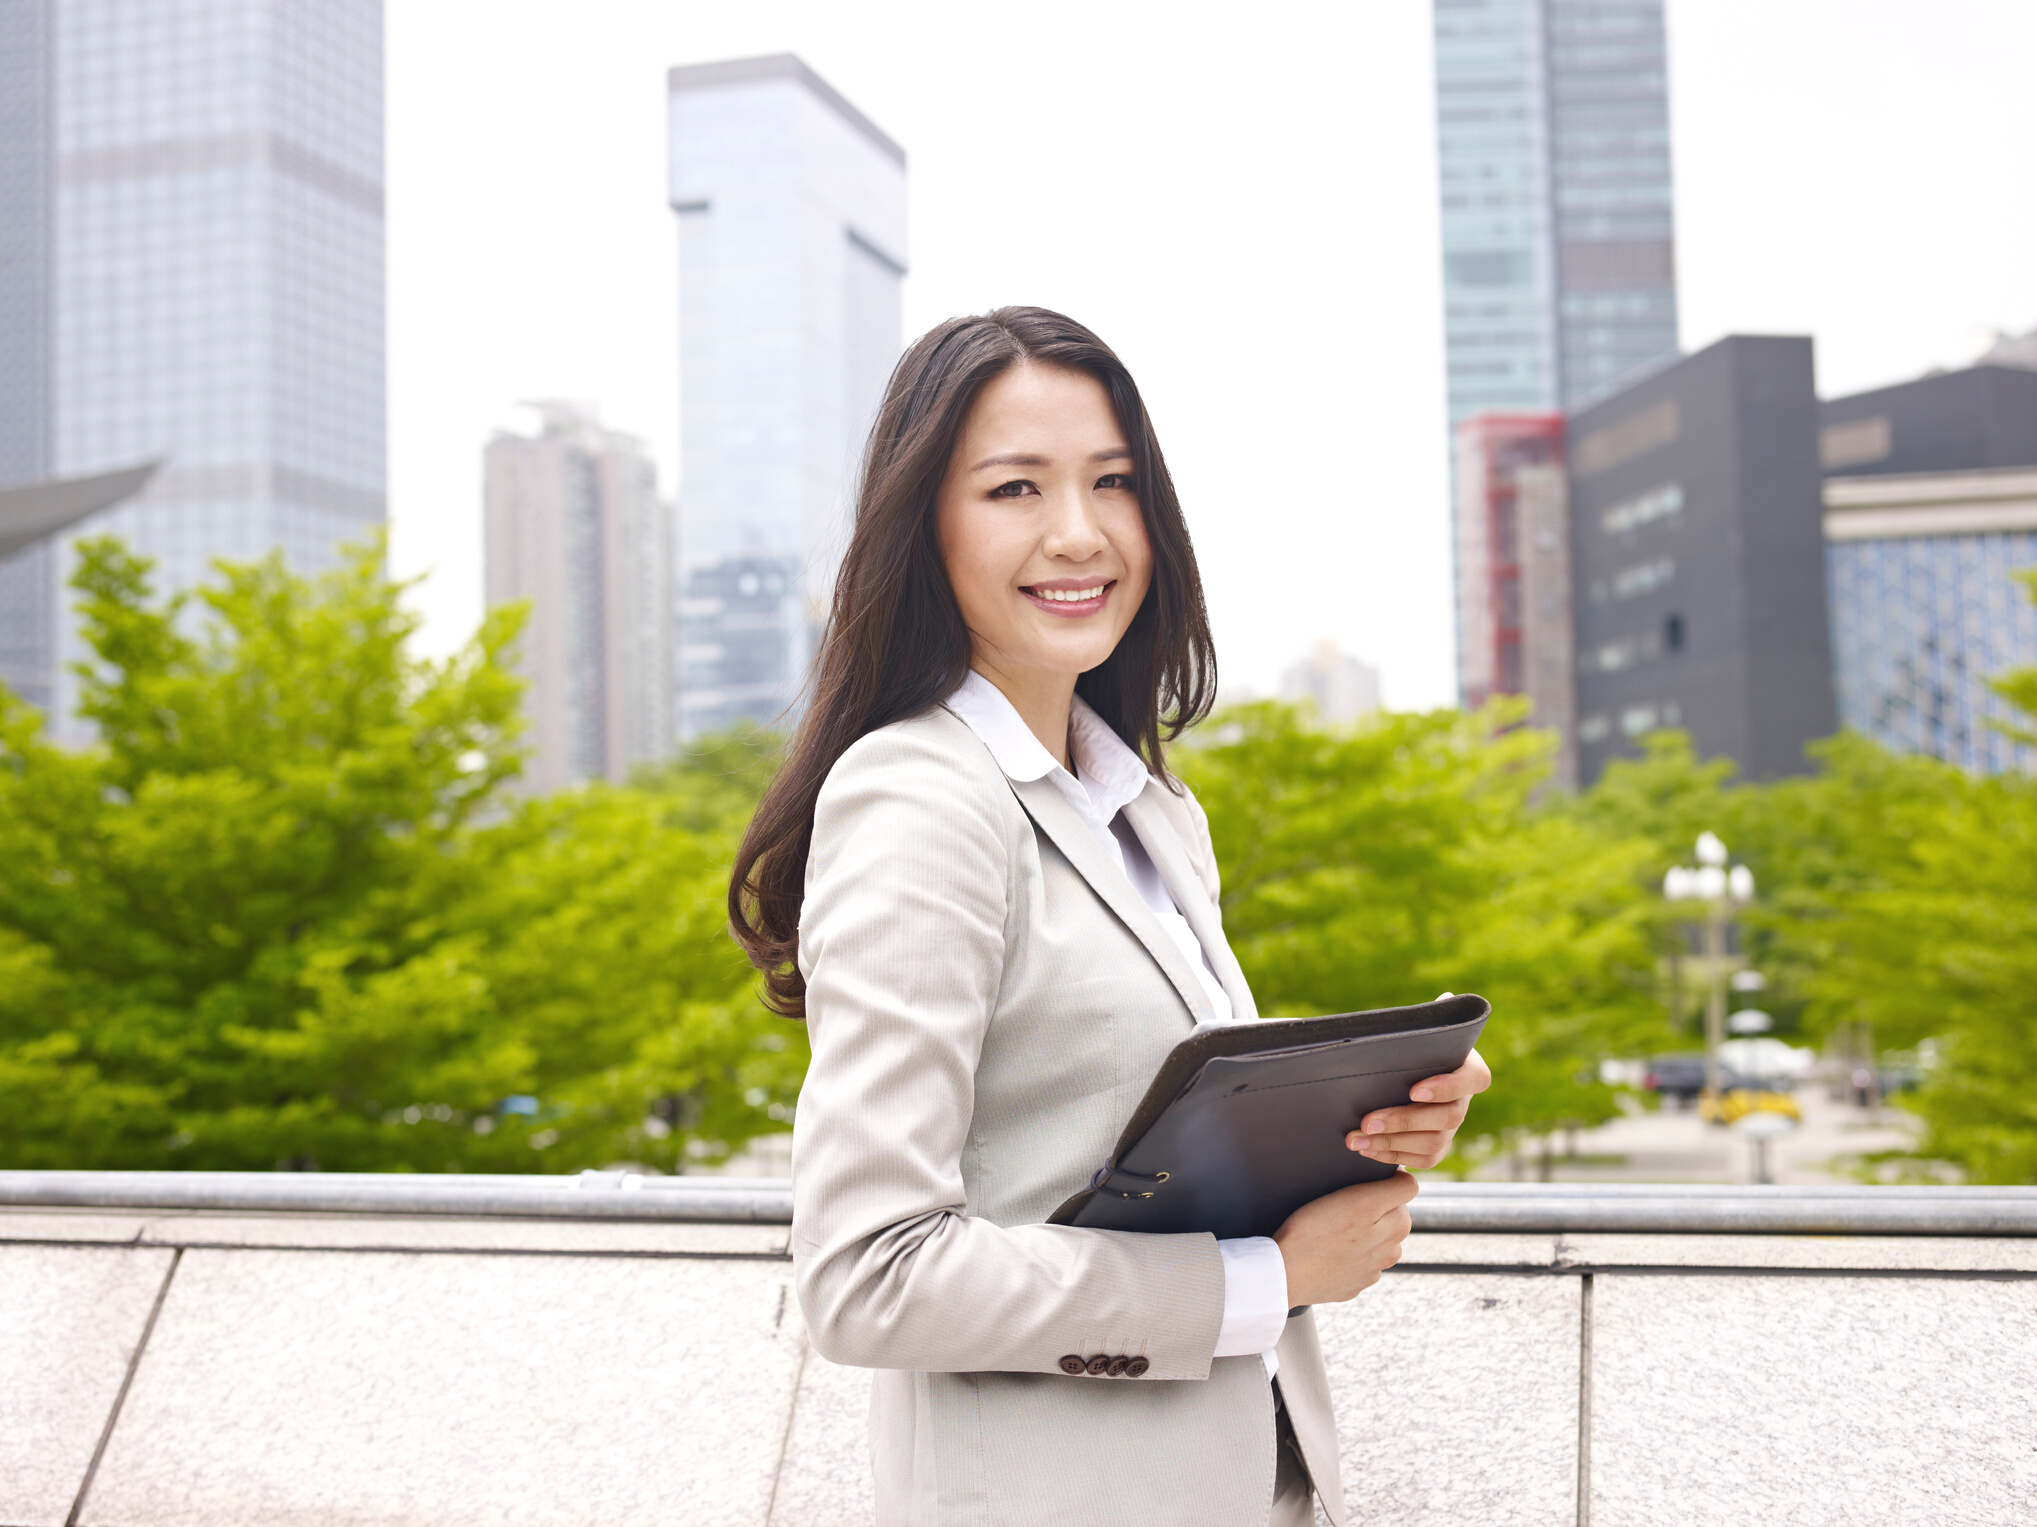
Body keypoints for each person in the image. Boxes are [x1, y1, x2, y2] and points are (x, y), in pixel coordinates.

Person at [731, 307, 1492, 1526]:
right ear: (922, 528)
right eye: (1014, 488)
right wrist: (1266, 1281)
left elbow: (1116, 1122)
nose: (1077, 533)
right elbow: (867, 1278)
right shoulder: (918, 797)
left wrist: (1365, 1110)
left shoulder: (1147, 804)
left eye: (1113, 482)